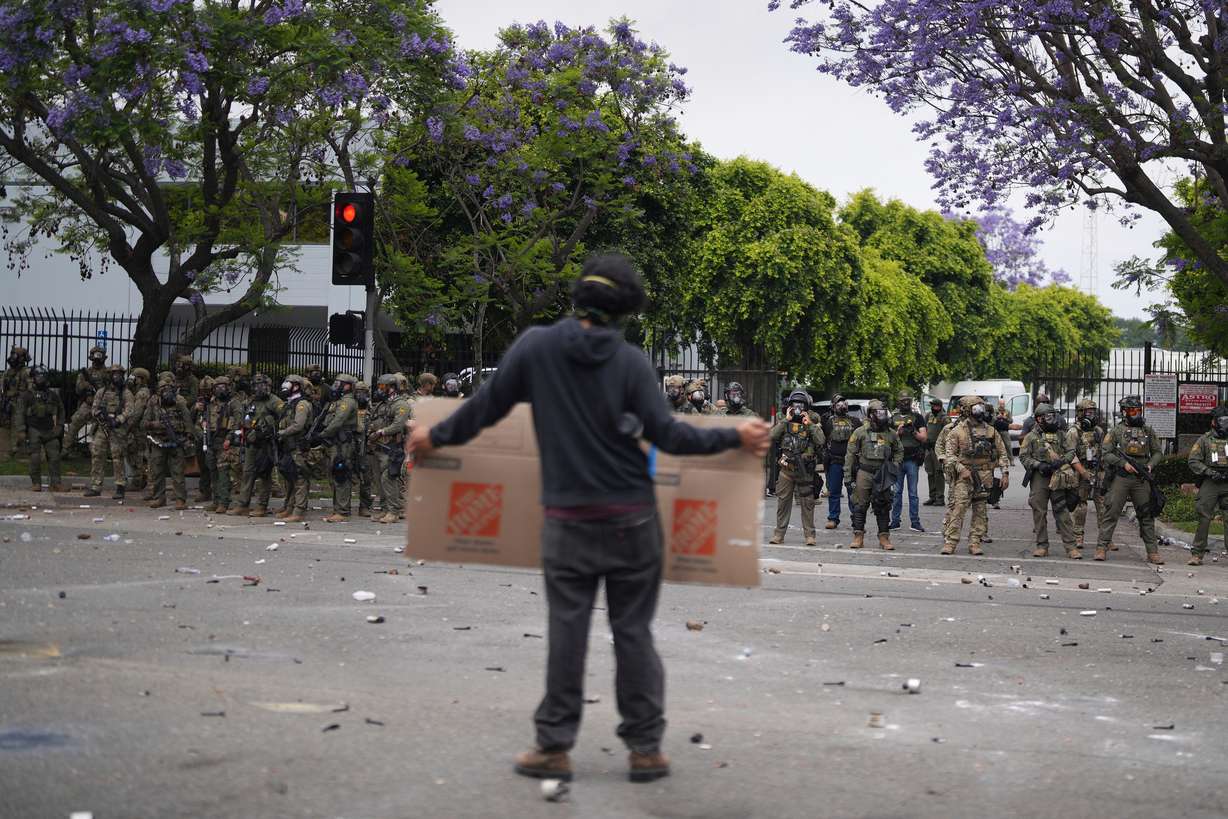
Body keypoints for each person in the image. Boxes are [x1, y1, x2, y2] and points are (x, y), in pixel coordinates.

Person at [406, 253, 770, 784]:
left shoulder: (535, 348)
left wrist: (431, 436)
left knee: (567, 631)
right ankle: (645, 750)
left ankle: (554, 747)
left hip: (569, 523)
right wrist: (734, 435)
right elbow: (670, 436)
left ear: (577, 297)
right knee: (633, 633)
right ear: (623, 311)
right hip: (634, 523)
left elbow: (485, 408)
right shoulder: (631, 363)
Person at [1097, 395, 1164, 565]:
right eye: (1132, 410)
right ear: (1124, 412)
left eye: (1138, 410)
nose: (1136, 413)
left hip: (1141, 479)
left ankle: (1152, 552)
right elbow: (1106, 453)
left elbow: (1157, 452)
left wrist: (1150, 465)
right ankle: (1101, 548)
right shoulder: (1116, 431)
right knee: (1111, 512)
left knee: (1146, 515)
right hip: (1121, 477)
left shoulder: (1148, 430)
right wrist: (1123, 464)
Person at [943, 396, 1009, 555]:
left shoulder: (991, 431)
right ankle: (950, 542)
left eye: (981, 407)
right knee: (958, 509)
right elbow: (949, 456)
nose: (979, 411)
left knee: (980, 511)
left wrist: (1005, 473)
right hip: (964, 476)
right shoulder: (957, 431)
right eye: (975, 408)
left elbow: (1002, 453)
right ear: (967, 410)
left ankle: (974, 542)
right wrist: (960, 468)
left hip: (985, 476)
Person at [1019, 403, 1083, 559]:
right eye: (1048, 417)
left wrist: (1061, 462)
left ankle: (1071, 547)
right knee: (1039, 511)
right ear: (1039, 419)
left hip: (1058, 476)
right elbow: (1023, 456)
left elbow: (1071, 452)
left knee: (1062, 512)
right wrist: (1038, 465)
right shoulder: (1031, 437)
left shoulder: (1061, 435)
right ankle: (1042, 546)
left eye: (1053, 416)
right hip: (1039, 477)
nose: (1052, 420)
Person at [769, 390, 825, 546]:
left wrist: (811, 425)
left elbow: (821, 441)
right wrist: (785, 421)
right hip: (787, 469)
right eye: (795, 405)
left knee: (807, 504)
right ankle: (779, 535)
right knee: (783, 503)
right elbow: (771, 436)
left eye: (801, 405)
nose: (798, 408)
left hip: (805, 470)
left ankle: (810, 535)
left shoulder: (812, 420)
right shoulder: (784, 420)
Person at [844, 399, 903, 550]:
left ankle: (884, 537)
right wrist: (848, 476)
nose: (882, 416)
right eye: (878, 413)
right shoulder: (860, 432)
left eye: (884, 413)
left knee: (883, 505)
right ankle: (858, 536)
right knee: (859, 504)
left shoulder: (891, 434)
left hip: (882, 473)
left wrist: (894, 466)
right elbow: (850, 454)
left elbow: (899, 450)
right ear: (871, 415)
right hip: (864, 472)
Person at [228, 373, 283, 517]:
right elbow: (245, 418)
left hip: (266, 444)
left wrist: (268, 428)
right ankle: (243, 504)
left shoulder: (275, 401)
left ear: (268, 386)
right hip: (251, 443)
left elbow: (283, 419)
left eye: (262, 385)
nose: (259, 388)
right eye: (256, 385)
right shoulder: (251, 401)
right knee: (247, 473)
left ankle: (261, 506)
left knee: (265, 475)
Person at [143, 372, 192, 510]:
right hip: (158, 441)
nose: (167, 392)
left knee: (178, 472)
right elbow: (144, 423)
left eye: (169, 389)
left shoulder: (180, 401)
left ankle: (180, 499)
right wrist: (155, 425)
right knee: (157, 471)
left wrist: (188, 437)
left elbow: (188, 420)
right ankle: (159, 498)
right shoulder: (153, 402)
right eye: (164, 389)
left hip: (177, 441)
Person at [1186, 405, 1228, 566]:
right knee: (1204, 516)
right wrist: (1209, 472)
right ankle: (1197, 554)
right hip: (1211, 481)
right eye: (1222, 421)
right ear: (1214, 422)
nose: (1225, 424)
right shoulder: (1204, 440)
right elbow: (1193, 460)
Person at [84, 364, 134, 498]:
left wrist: (118, 420)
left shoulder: (126, 393)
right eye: (113, 373)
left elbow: (129, 410)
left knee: (117, 457)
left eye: (119, 374)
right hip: (102, 427)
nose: (116, 376)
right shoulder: (102, 391)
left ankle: (120, 486)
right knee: (97, 454)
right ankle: (95, 485)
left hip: (117, 429)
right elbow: (94, 409)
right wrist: (100, 415)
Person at [369, 374, 413, 523]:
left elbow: (398, 425)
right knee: (379, 480)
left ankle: (393, 511)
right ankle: (384, 509)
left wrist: (381, 432)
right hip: (379, 447)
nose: (379, 389)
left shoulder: (401, 405)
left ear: (392, 388)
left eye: (382, 387)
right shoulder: (383, 404)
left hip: (393, 447)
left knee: (388, 478)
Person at [1070, 400, 1111, 554]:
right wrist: (1081, 471)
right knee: (1080, 505)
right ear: (1080, 413)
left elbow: (1105, 450)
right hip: (1082, 472)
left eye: (1093, 412)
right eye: (1088, 412)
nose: (1091, 415)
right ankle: (1078, 536)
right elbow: (1070, 454)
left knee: (1103, 504)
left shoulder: (1099, 431)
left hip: (1098, 471)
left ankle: (1105, 538)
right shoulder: (1074, 432)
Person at [15, 364, 64, 491]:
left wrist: (59, 426)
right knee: (35, 457)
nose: (40, 379)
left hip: (50, 431)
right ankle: (36, 483)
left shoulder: (53, 395)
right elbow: (19, 413)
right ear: (33, 377)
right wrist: (21, 430)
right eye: (38, 376)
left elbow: (61, 411)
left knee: (54, 456)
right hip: (33, 429)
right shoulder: (27, 395)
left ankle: (56, 483)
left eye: (43, 376)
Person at [319, 374, 358, 523]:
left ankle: (343, 510)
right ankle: (338, 509)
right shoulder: (338, 401)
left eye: (340, 383)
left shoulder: (347, 402)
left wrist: (323, 434)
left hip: (344, 444)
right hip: (337, 443)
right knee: (335, 474)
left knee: (341, 474)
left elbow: (338, 421)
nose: (336, 385)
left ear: (348, 386)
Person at [275, 374, 314, 523]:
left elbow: (298, 425)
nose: (285, 385)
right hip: (288, 445)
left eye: (289, 383)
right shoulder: (290, 403)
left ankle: (298, 510)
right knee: (290, 477)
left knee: (300, 478)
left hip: (298, 445)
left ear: (296, 386)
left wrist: (282, 433)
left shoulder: (302, 404)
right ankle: (289, 507)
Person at [888, 390, 928, 532]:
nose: (905, 403)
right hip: (897, 459)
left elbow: (924, 437)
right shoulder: (892, 418)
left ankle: (915, 522)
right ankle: (895, 521)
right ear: (898, 402)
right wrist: (897, 433)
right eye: (903, 401)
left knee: (913, 493)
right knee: (897, 492)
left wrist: (913, 432)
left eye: (907, 401)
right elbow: (887, 438)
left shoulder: (917, 417)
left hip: (912, 459)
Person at [821, 394, 861, 529]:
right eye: (838, 404)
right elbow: (822, 439)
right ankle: (833, 518)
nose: (842, 406)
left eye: (844, 403)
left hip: (851, 462)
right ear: (833, 407)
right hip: (834, 461)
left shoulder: (856, 421)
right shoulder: (827, 421)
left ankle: (856, 519)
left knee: (853, 491)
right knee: (834, 491)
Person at [63, 345, 109, 455]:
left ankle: (106, 452)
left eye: (99, 355)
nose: (97, 359)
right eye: (95, 356)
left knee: (107, 428)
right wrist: (85, 385)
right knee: (74, 423)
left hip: (103, 406)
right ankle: (65, 448)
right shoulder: (85, 374)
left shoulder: (108, 373)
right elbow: (78, 390)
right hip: (88, 404)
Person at [202, 377, 234, 513]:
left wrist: (229, 438)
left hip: (224, 440)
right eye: (217, 387)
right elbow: (206, 419)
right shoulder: (211, 404)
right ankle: (216, 500)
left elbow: (237, 423)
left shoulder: (232, 404)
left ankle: (224, 502)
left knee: (223, 473)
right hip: (211, 440)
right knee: (212, 471)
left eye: (223, 387)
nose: (220, 390)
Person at [223, 366, 251, 512]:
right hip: (237, 431)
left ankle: (242, 498)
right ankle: (239, 493)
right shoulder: (233, 395)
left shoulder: (245, 394)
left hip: (246, 431)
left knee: (243, 466)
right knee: (237, 465)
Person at [1, 344, 32, 459]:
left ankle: (16, 448)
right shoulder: (8, 372)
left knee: (17, 421)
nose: (12, 358)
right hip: (8, 401)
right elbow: (2, 387)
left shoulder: (26, 372)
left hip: (20, 402)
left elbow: (30, 390)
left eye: (15, 356)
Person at [125, 368, 152, 497]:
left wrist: (128, 427)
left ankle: (140, 480)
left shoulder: (142, 393)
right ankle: (139, 480)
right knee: (134, 453)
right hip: (137, 428)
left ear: (141, 379)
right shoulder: (137, 392)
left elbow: (137, 413)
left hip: (139, 430)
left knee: (139, 454)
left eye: (135, 377)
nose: (132, 380)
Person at [354, 380, 374, 517]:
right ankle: (342, 507)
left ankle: (364, 506)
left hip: (366, 449)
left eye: (364, 392)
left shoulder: (372, 410)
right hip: (351, 447)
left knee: (366, 479)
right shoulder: (350, 408)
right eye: (358, 392)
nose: (361, 395)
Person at [923, 398, 947, 506]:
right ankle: (932, 496)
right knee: (930, 472)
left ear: (940, 406)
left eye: (935, 406)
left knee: (938, 472)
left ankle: (940, 497)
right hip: (929, 448)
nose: (933, 408)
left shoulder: (944, 418)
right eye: (932, 406)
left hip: (939, 449)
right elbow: (924, 429)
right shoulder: (928, 416)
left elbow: (948, 433)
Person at [993, 399, 1015, 472]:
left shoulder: (1007, 411)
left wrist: (1006, 418)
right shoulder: (995, 411)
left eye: (1003, 404)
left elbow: (1011, 420)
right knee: (996, 446)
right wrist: (997, 417)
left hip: (1005, 430)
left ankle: (1011, 460)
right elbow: (992, 419)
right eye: (1000, 404)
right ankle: (996, 461)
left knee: (1008, 445)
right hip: (997, 430)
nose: (1002, 405)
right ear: (998, 404)